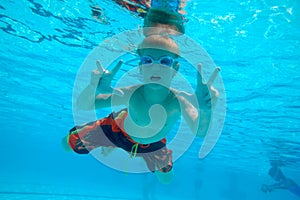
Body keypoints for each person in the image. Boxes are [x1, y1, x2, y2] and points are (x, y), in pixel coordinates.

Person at [63, 35, 220, 183]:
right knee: (69, 144)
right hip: (116, 131)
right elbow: (84, 105)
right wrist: (93, 86)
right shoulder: (131, 93)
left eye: (165, 61)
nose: (156, 67)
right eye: (148, 60)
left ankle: (115, 147)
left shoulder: (179, 100)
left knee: (166, 179)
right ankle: (110, 143)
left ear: (175, 69)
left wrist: (206, 110)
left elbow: (200, 132)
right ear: (140, 67)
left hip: (153, 144)